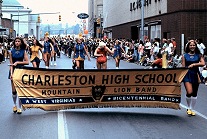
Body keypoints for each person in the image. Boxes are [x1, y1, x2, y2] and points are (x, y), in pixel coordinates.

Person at [182, 40, 205, 116]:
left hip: (195, 74)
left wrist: (194, 64)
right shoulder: (184, 55)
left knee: (194, 93)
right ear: (188, 46)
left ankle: (192, 108)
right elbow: (183, 66)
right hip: (187, 74)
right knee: (189, 92)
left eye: (193, 45)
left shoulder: (199, 55)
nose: (192, 47)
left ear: (196, 46)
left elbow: (203, 63)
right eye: (191, 45)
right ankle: (188, 107)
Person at [8, 37, 29, 114]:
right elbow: (11, 64)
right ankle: (14, 105)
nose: (17, 42)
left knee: (20, 89)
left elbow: (27, 62)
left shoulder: (23, 51)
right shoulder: (11, 51)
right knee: (14, 90)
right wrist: (11, 73)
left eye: (18, 41)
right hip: (14, 71)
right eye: (16, 41)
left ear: (21, 42)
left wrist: (18, 63)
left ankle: (20, 107)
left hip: (21, 71)